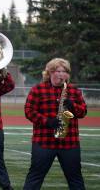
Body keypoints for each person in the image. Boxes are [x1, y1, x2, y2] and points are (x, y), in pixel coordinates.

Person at [23, 58, 87, 190]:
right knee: (35, 177)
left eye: (65, 71)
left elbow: (83, 112)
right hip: (44, 142)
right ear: (50, 72)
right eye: (58, 71)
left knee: (75, 178)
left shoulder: (74, 91)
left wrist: (73, 106)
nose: (62, 74)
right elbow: (29, 111)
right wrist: (47, 121)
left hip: (69, 142)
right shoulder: (38, 90)